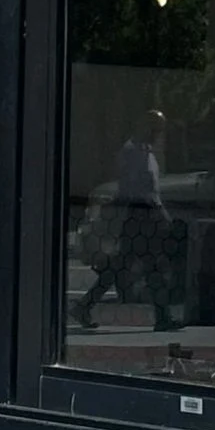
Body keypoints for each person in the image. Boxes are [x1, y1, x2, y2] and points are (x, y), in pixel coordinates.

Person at [75, 110, 182, 332]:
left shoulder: (145, 152)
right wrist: (160, 215)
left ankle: (85, 305)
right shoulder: (133, 153)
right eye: (156, 130)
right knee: (150, 266)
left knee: (121, 267)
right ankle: (162, 317)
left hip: (144, 217)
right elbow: (138, 190)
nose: (157, 135)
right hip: (140, 217)